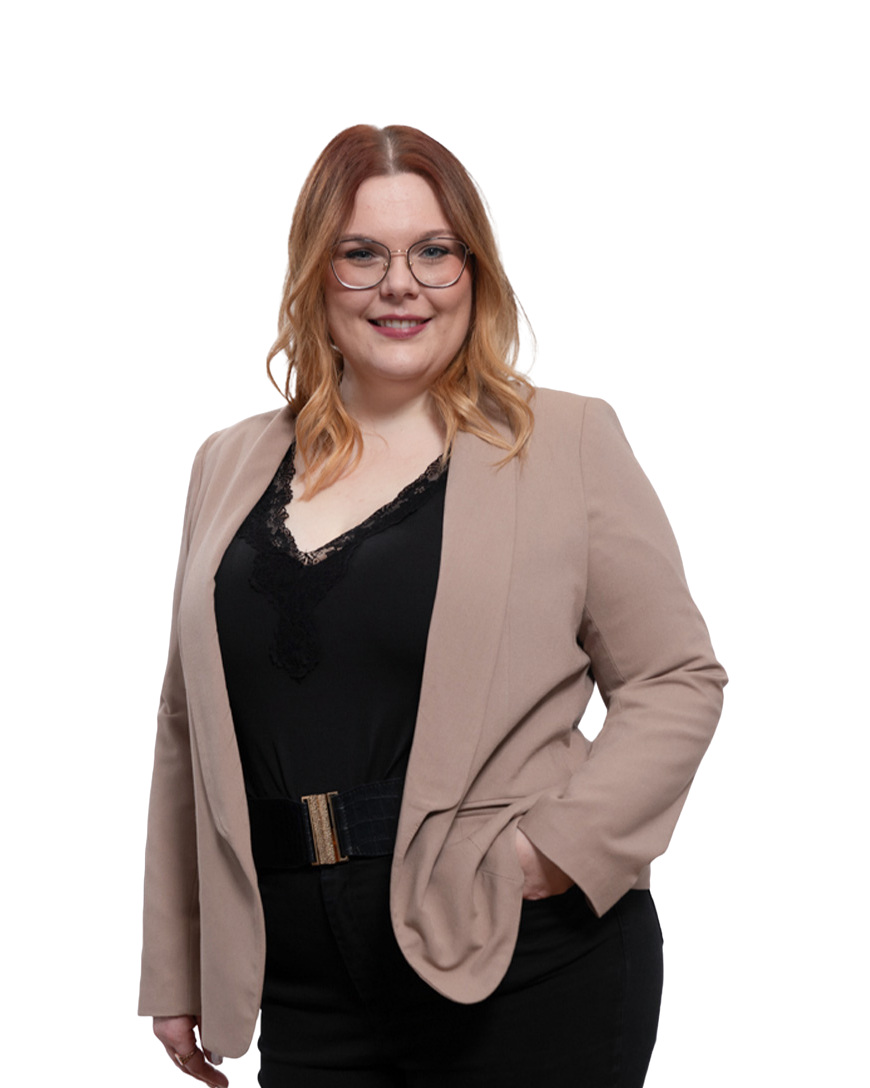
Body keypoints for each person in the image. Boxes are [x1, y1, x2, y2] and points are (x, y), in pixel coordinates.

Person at [138, 123, 728, 1087]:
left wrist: (550, 855)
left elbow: (674, 678)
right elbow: (181, 729)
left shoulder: (567, 439)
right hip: (294, 979)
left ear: (475, 271)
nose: (400, 285)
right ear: (315, 276)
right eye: (361, 254)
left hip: (522, 956)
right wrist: (177, 961)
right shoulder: (226, 461)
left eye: (434, 252)